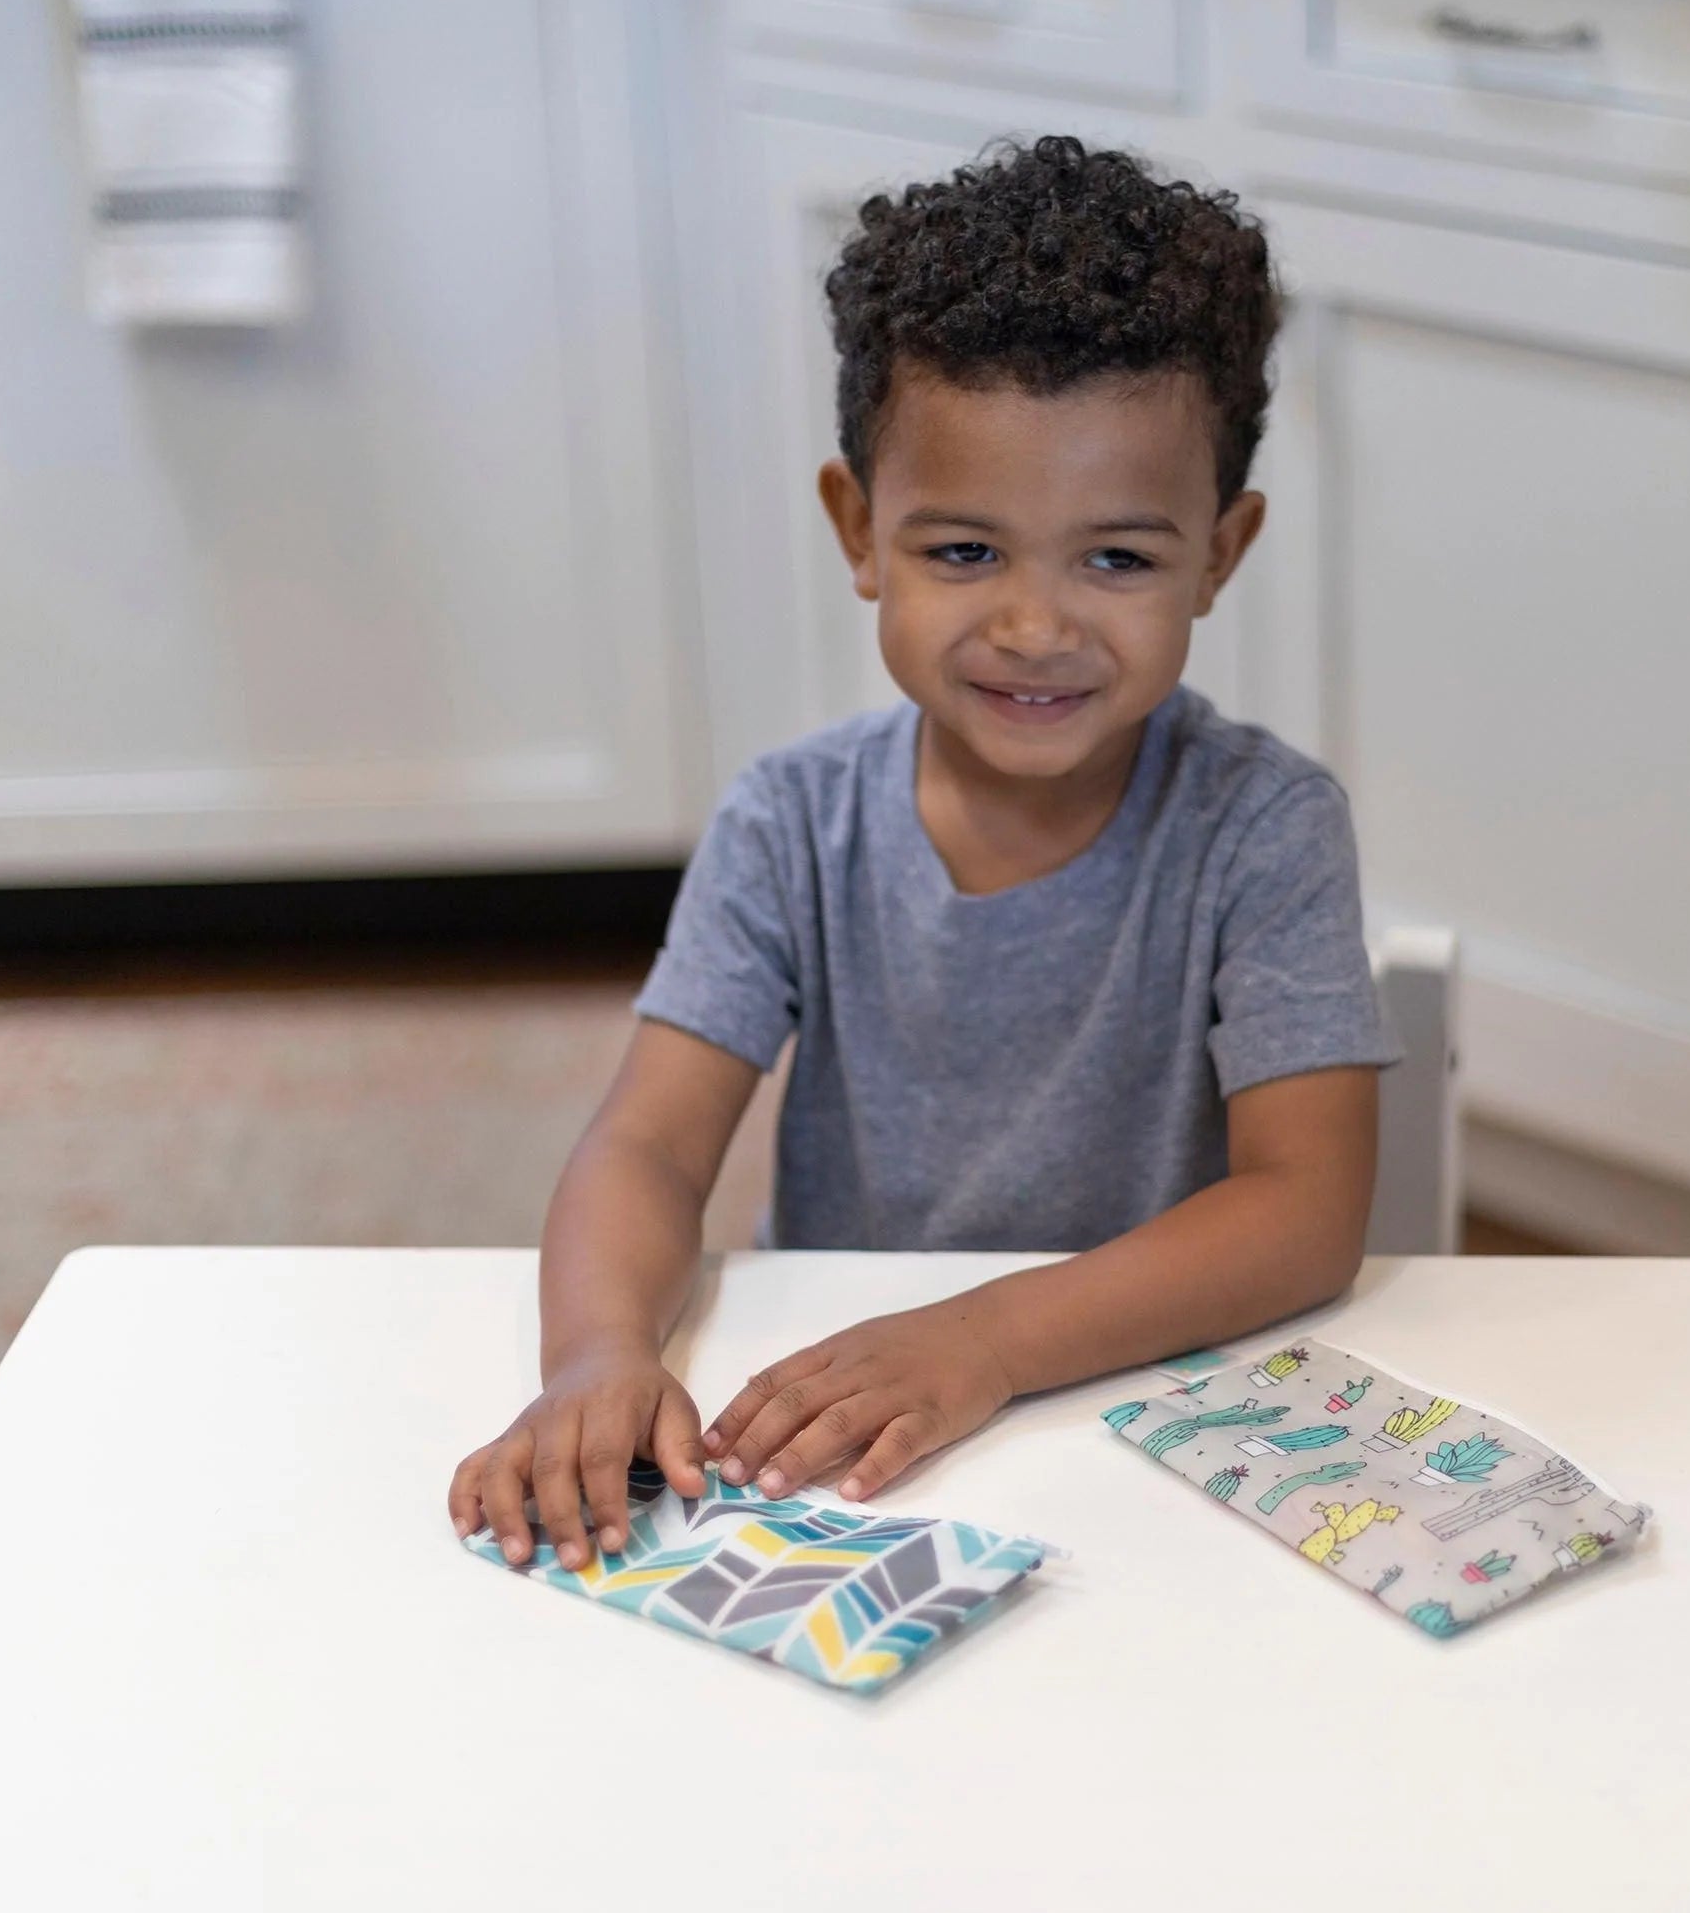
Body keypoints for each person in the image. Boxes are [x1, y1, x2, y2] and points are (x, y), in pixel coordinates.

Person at [447, 135, 1401, 1573]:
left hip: (1141, 1411)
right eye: (965, 553)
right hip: (855, 1437)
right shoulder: (790, 820)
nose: (1035, 626)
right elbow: (645, 1146)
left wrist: (987, 1340)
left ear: (1222, 551)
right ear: (861, 532)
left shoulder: (1265, 827)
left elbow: (1305, 1215)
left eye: (1119, 560)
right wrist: (593, 1355)